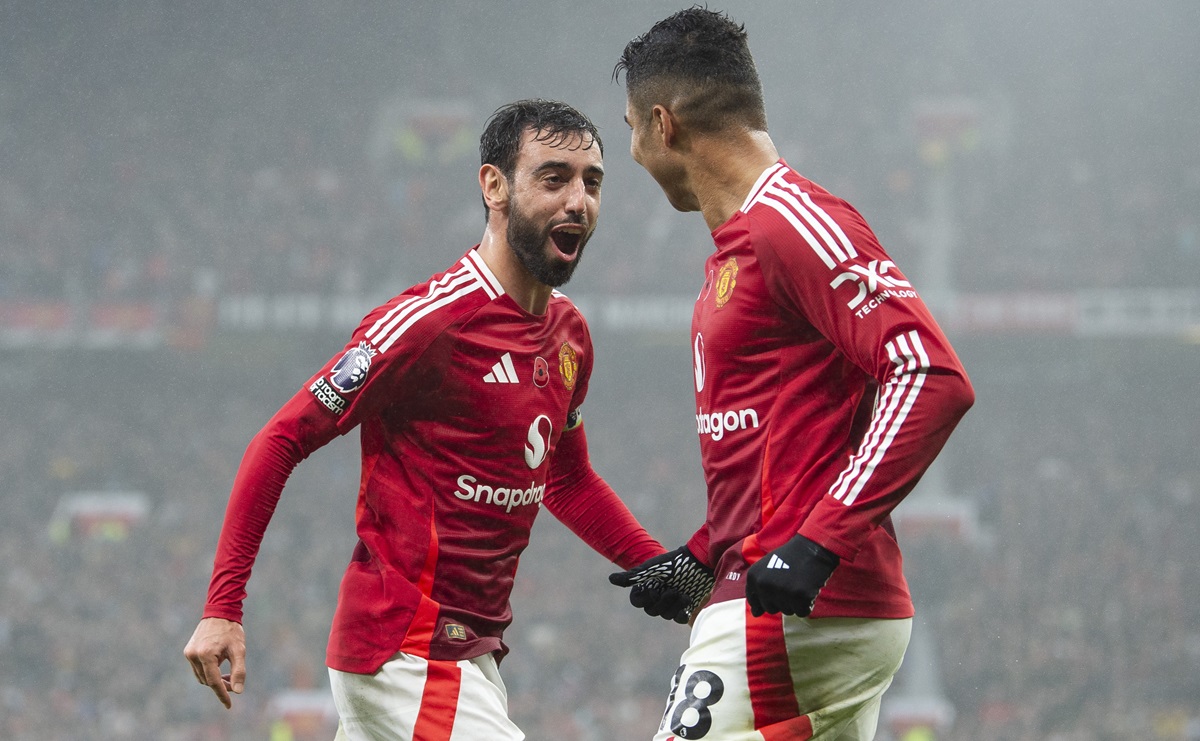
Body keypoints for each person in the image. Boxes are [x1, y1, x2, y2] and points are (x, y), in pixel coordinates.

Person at [184, 99, 665, 740]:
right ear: (494, 186)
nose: (578, 201)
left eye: (592, 182)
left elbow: (566, 479)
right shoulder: (428, 323)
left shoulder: (570, 335)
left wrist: (662, 567)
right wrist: (222, 608)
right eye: (554, 179)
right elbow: (280, 440)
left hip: (473, 653)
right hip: (405, 650)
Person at [608, 9, 975, 741]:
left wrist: (819, 540)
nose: (632, 153)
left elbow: (929, 373)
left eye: (628, 129)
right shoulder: (739, 248)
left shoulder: (789, 220)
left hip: (796, 612)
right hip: (784, 595)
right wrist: (707, 551)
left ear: (662, 124)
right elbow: (790, 440)